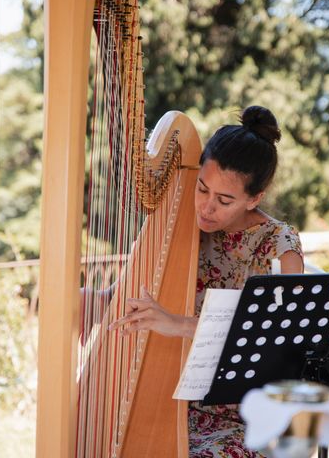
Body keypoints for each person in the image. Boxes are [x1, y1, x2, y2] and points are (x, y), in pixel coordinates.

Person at [109, 105, 304, 457]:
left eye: (224, 200)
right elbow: (130, 292)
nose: (206, 207)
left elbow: (279, 338)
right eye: (202, 189)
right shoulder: (180, 222)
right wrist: (91, 299)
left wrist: (179, 325)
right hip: (176, 399)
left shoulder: (279, 246)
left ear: (254, 199)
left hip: (244, 414)